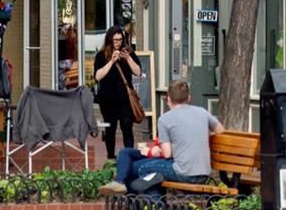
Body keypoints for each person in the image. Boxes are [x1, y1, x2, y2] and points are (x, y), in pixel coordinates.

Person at [99, 79, 223, 194]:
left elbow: (167, 153)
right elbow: (220, 130)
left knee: (144, 169)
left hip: (182, 172)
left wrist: (155, 150)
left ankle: (157, 205)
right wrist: (199, 135)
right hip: (204, 173)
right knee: (136, 163)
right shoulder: (202, 112)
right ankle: (138, 199)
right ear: (189, 97)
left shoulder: (165, 119)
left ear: (168, 98)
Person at [92, 25, 142, 159]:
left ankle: (129, 157)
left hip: (125, 98)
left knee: (127, 128)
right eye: (115, 40)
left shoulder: (128, 52)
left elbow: (138, 72)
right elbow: (98, 76)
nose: (117, 43)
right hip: (107, 99)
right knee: (110, 129)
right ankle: (110, 157)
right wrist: (112, 61)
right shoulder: (101, 55)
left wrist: (128, 58)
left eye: (120, 40)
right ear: (109, 40)